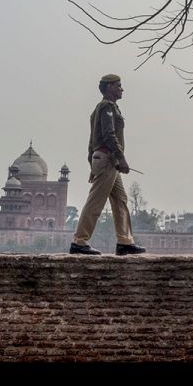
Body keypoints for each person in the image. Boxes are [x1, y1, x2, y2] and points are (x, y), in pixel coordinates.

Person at [70, 74, 146, 256]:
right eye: (118, 85)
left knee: (120, 200)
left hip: (105, 160)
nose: (122, 89)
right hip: (108, 160)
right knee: (96, 201)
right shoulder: (107, 107)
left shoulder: (102, 108)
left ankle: (124, 242)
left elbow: (92, 140)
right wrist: (121, 158)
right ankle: (79, 241)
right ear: (109, 87)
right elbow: (108, 135)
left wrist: (92, 163)